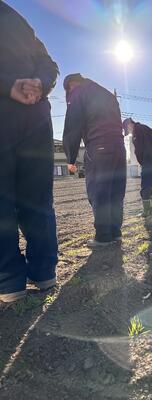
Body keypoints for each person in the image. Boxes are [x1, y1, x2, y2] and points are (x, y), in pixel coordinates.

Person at [0, 1, 59, 303]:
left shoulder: (17, 19)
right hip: (35, 117)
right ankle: (44, 271)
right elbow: (49, 64)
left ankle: (10, 282)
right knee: (38, 198)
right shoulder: (20, 20)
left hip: (16, 114)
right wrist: (39, 82)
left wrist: (18, 85)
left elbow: (48, 65)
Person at [63, 74, 126, 248]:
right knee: (115, 190)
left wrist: (71, 157)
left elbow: (72, 126)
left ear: (70, 85)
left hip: (99, 146)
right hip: (119, 146)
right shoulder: (107, 94)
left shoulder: (78, 92)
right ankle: (115, 233)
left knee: (99, 191)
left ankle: (103, 237)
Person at [123, 118, 152, 217]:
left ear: (129, 125)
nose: (130, 133)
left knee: (144, 188)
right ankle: (150, 211)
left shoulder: (138, 131)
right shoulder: (146, 128)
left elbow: (140, 149)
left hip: (148, 162)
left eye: (128, 130)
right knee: (147, 187)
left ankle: (147, 212)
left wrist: (142, 162)